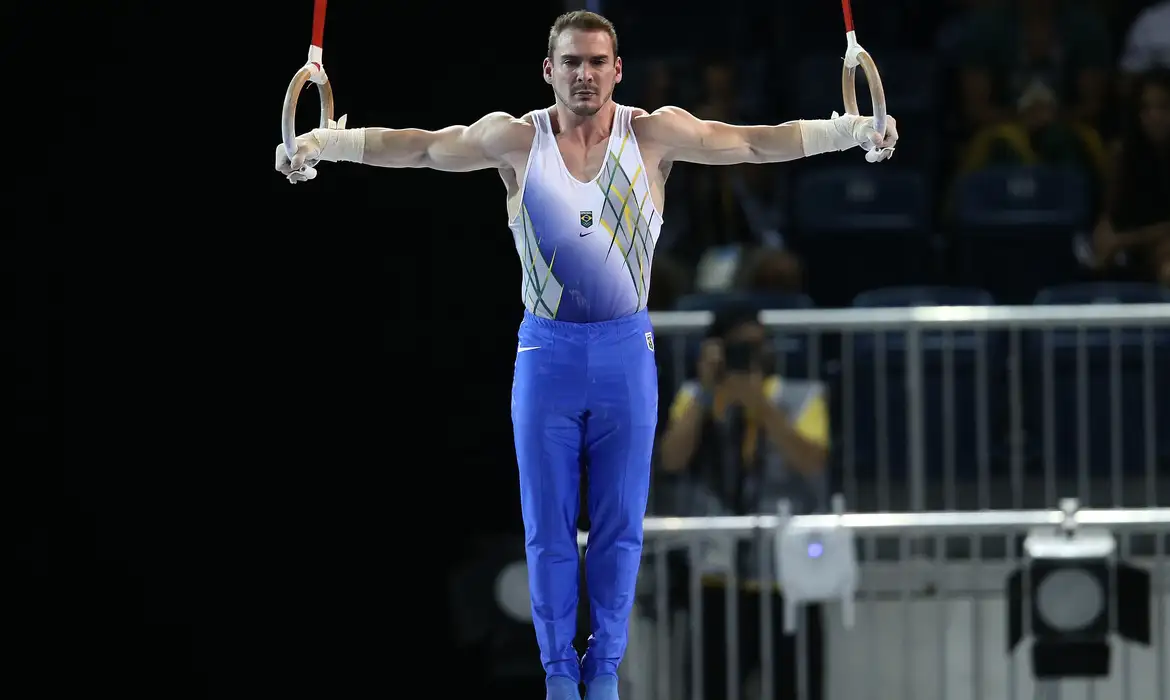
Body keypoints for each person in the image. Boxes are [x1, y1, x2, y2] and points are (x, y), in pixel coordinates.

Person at [274, 11, 897, 700]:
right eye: (571, 62)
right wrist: (326, 144)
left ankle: (602, 671)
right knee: (546, 528)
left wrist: (850, 130)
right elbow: (421, 148)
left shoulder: (654, 135)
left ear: (617, 69)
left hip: (627, 353)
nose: (585, 74)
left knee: (619, 528)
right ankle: (559, 675)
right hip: (547, 355)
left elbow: (750, 145)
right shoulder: (515, 140)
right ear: (548, 70)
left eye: (598, 61)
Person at [1093, 68, 1170, 286]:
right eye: (1146, 108)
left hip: (1149, 247)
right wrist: (1105, 232)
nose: (1154, 116)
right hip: (1133, 250)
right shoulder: (1121, 154)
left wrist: (1121, 241)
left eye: (1163, 107)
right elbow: (1108, 214)